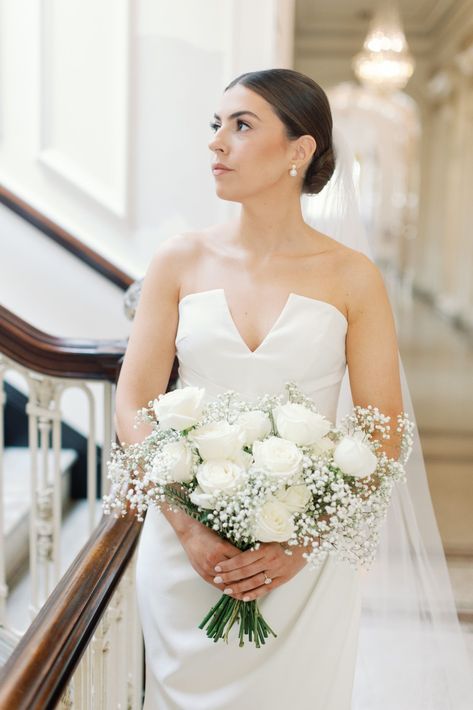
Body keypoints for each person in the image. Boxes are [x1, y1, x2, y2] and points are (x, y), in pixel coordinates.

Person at [114, 69, 473, 709]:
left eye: (242, 125)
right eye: (215, 125)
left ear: (299, 151)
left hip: (304, 568)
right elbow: (131, 404)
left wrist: (302, 545)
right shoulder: (179, 261)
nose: (217, 143)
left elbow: (383, 431)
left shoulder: (352, 277)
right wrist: (190, 530)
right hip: (185, 557)